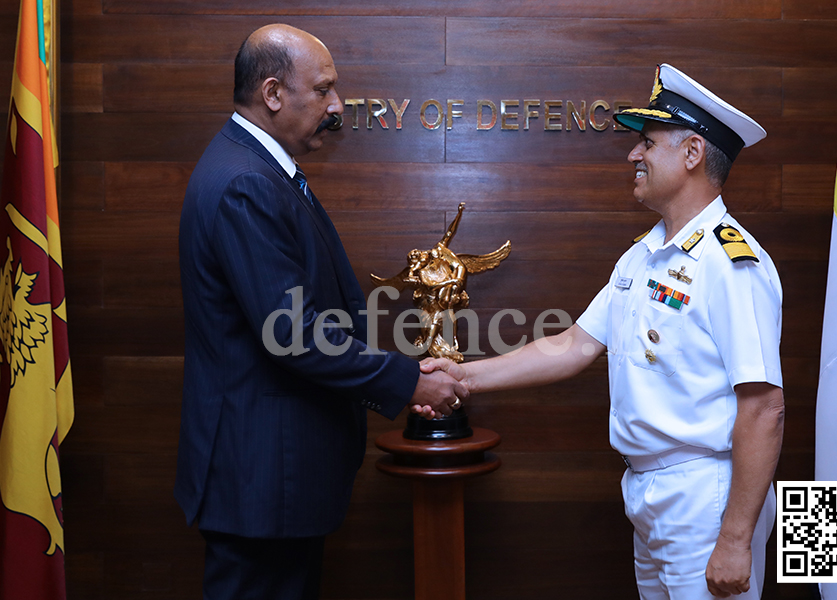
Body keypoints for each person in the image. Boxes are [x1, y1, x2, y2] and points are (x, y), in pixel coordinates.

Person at [421, 64, 784, 599]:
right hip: (646, 490)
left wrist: (735, 538)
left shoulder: (731, 263)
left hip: (705, 495)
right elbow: (573, 345)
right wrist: (463, 377)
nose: (633, 156)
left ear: (692, 154)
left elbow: (764, 407)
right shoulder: (643, 255)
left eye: (647, 143)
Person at [175, 24, 466, 600]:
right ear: (274, 92)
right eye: (325, 89)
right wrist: (410, 381)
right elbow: (296, 336)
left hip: (271, 478)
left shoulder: (255, 169)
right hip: (260, 476)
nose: (337, 105)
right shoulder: (245, 184)